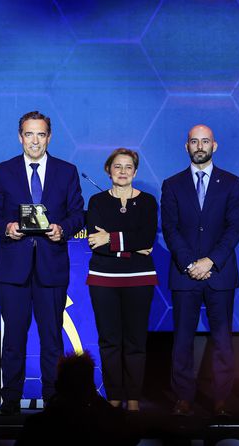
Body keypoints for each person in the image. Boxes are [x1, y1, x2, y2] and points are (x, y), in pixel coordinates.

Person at [0, 111, 85, 415]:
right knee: (13, 338)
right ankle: (10, 400)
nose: (35, 140)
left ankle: (53, 399)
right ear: (20, 136)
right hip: (13, 268)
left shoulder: (67, 171)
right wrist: (7, 228)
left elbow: (78, 213)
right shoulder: (3, 171)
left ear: (49, 137)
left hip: (51, 266)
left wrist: (62, 229)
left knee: (51, 338)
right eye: (29, 134)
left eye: (41, 134)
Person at [161, 124, 239, 417]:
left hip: (219, 274)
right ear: (186, 147)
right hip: (185, 276)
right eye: (194, 141)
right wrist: (189, 264)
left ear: (215, 146)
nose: (200, 146)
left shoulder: (233, 183)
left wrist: (210, 261)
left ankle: (221, 400)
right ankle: (183, 398)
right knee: (182, 341)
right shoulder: (171, 185)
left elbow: (235, 229)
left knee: (222, 341)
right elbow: (170, 230)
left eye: (205, 141)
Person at [85, 148, 157, 412]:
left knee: (136, 341)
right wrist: (130, 243)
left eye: (128, 167)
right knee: (109, 340)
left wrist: (112, 239)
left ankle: (134, 399)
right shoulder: (97, 202)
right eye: (118, 167)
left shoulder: (148, 201)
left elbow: (147, 240)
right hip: (104, 279)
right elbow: (95, 242)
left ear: (135, 172)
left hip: (139, 279)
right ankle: (114, 396)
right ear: (108, 170)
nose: (123, 171)